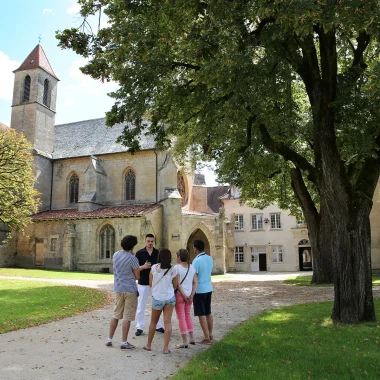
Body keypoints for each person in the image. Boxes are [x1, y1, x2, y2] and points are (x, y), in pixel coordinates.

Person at [106, 235, 140, 350]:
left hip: (118, 288)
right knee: (127, 316)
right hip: (130, 289)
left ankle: (109, 339)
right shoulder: (132, 258)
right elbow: (137, 276)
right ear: (133, 246)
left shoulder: (115, 255)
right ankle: (124, 342)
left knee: (116, 314)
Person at [144, 248, 177, 354]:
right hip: (169, 298)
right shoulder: (173, 270)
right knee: (167, 322)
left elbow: (150, 284)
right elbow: (175, 285)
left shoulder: (154, 268)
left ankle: (149, 345)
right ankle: (166, 348)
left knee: (153, 322)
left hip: (157, 298)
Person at [135, 234, 164, 336]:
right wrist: (143, 266)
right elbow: (135, 268)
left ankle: (158, 325)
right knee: (141, 305)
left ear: (154, 241)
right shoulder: (139, 253)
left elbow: (163, 267)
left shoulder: (158, 253)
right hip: (143, 282)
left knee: (157, 305)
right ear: (145, 241)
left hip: (156, 283)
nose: (150, 243)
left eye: (152, 241)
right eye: (148, 241)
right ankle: (140, 327)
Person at [174, 248, 198, 348]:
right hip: (189, 295)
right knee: (187, 315)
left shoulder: (177, 268)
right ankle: (192, 338)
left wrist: (183, 295)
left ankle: (184, 340)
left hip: (180, 295)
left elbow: (178, 284)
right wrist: (192, 294)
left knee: (181, 317)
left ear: (179, 257)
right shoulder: (192, 268)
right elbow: (196, 282)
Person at [192, 239, 214, 344]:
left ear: (195, 248)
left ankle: (206, 337)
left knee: (201, 314)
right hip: (208, 288)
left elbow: (194, 276)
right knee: (208, 312)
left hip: (199, 290)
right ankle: (210, 334)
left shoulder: (196, 261)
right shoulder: (210, 258)